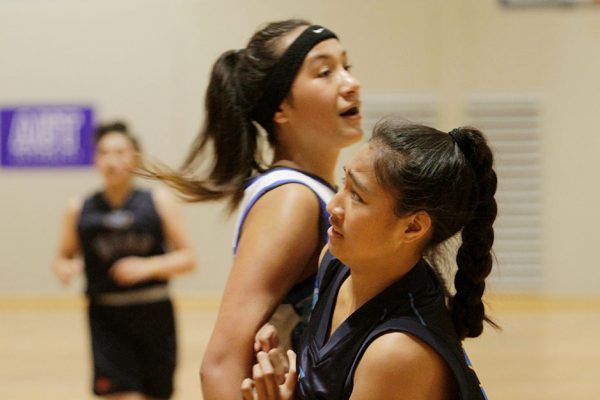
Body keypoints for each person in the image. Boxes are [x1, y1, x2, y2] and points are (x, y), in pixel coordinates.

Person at [142, 19, 362, 400]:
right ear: (281, 109)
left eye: (347, 66)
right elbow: (221, 362)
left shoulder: (312, 192)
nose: (349, 82)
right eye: (325, 72)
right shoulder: (291, 199)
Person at [241, 117, 498, 400]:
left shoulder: (397, 353)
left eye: (357, 196)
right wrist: (289, 380)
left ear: (412, 227)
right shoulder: (335, 262)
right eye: (343, 182)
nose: (333, 205)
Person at [53, 121, 196, 400]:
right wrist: (66, 267)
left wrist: (149, 266)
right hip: (107, 316)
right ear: (95, 159)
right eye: (104, 153)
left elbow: (188, 258)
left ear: (134, 158)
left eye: (120, 152)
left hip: (154, 312)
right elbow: (62, 257)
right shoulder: (79, 208)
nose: (112, 160)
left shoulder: (158, 202)